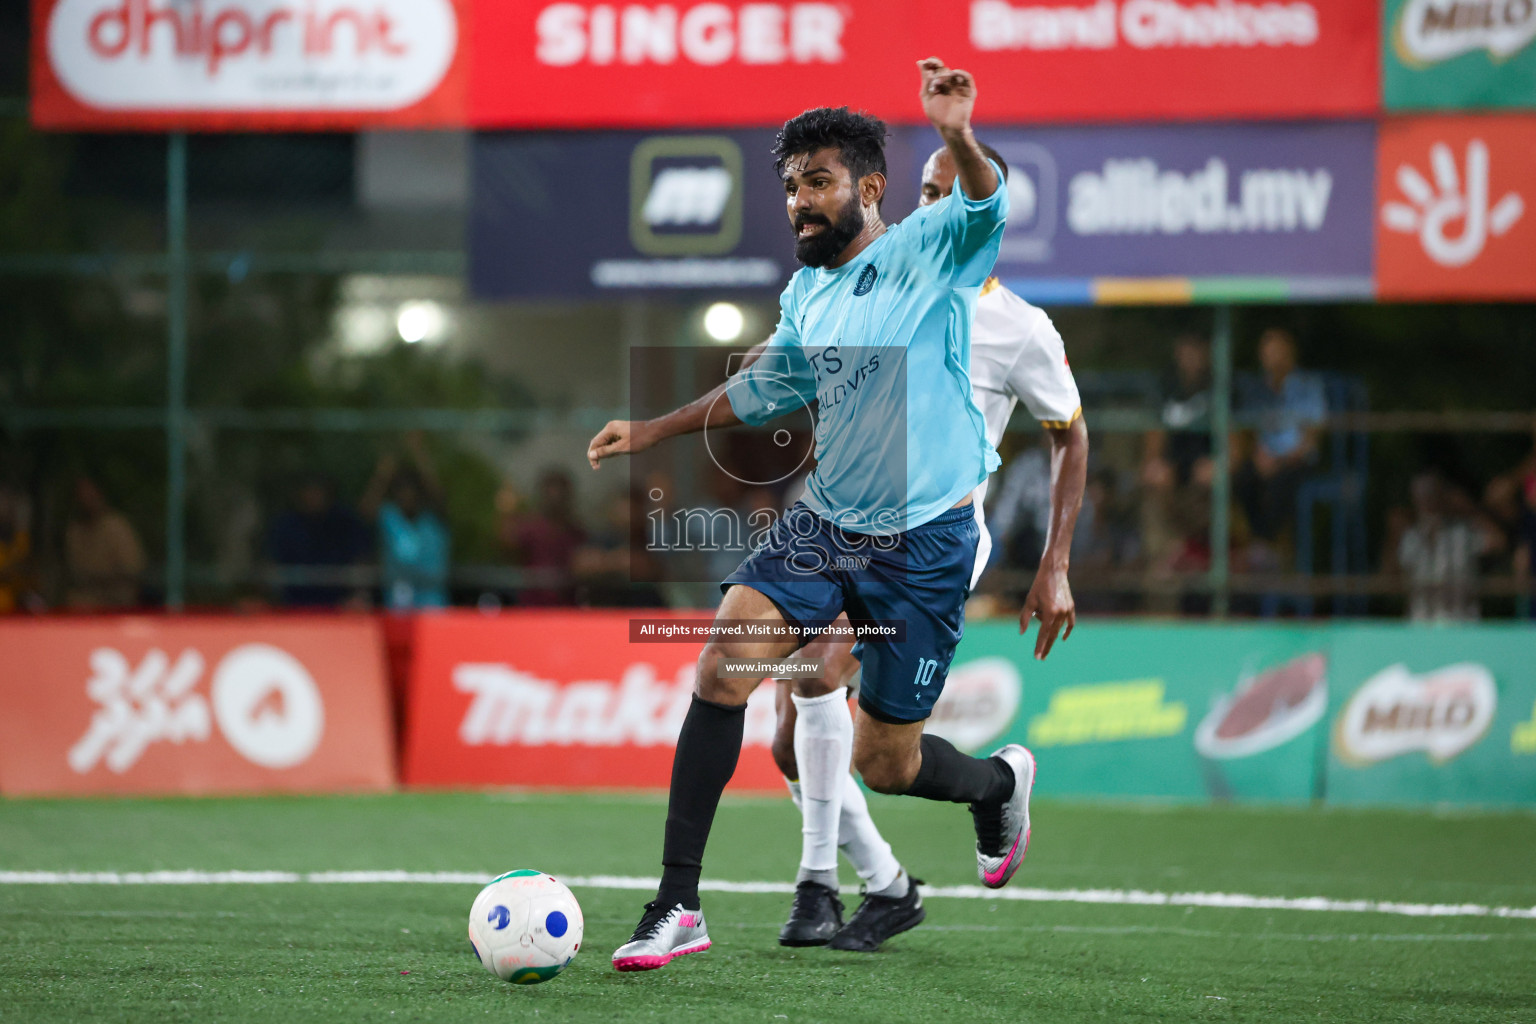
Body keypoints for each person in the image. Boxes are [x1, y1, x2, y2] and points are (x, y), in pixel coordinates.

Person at [588, 60, 1069, 972]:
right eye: (790, 186)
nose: (799, 202)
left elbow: (984, 200)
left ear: (871, 189)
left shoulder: (931, 247)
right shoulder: (806, 291)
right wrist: (654, 428)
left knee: (888, 762)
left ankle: (998, 784)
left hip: (926, 541)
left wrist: (960, 134)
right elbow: (761, 389)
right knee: (725, 661)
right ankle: (677, 903)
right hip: (826, 525)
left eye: (818, 182)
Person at [763, 142, 1088, 952]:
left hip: (934, 539)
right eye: (925, 194)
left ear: (987, 211)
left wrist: (1055, 565)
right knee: (797, 743)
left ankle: (821, 889)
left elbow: (1070, 438)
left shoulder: (1019, 328)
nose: (933, 209)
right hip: (849, 528)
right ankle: (895, 877)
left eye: (952, 195)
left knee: (838, 698)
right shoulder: (880, 287)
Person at [1234, 328, 1325, 547]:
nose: (1271, 358)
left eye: (1276, 352)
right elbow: (1247, 430)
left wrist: (1283, 460)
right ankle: (1259, 544)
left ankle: (1265, 545)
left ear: (1289, 353)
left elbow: (1313, 436)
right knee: (1241, 480)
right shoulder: (1256, 390)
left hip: (1296, 460)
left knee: (1280, 485)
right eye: (1267, 353)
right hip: (1265, 459)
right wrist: (1258, 456)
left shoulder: (1308, 385)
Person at [361, 434, 450, 610]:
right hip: (397, 596)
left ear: (420, 493)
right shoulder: (389, 516)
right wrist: (384, 471)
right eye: (401, 491)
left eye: (411, 491)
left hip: (432, 596)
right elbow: (365, 511)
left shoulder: (434, 518)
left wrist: (418, 452)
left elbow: (439, 495)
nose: (406, 496)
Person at [264, 475, 370, 608]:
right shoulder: (285, 525)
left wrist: (359, 595)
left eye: (318, 492)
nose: (313, 497)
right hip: (293, 604)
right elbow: (271, 566)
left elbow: (361, 561)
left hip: (340, 605)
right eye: (309, 491)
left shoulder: (346, 522)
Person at [506, 467, 586, 606]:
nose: (555, 498)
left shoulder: (577, 532)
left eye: (560, 492)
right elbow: (507, 544)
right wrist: (508, 511)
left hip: (567, 608)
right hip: (533, 606)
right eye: (551, 491)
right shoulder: (530, 528)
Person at [63, 477, 145, 610]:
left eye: (90, 495)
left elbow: (133, 571)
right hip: (83, 601)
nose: (85, 500)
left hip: (116, 601)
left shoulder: (117, 526)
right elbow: (74, 574)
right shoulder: (74, 531)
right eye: (81, 496)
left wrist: (99, 580)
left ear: (99, 494)